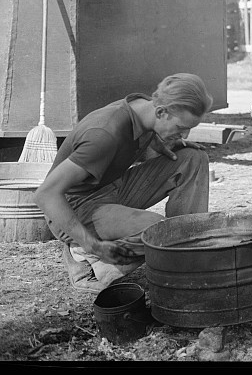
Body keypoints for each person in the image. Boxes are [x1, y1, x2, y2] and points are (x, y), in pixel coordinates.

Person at [35, 73, 213, 292]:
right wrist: (90, 243)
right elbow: (45, 194)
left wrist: (162, 143)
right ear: (161, 112)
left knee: (193, 158)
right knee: (161, 232)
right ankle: (84, 253)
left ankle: (186, 250)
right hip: (76, 207)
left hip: (110, 188)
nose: (185, 133)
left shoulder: (142, 108)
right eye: (181, 127)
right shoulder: (103, 134)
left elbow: (135, 141)